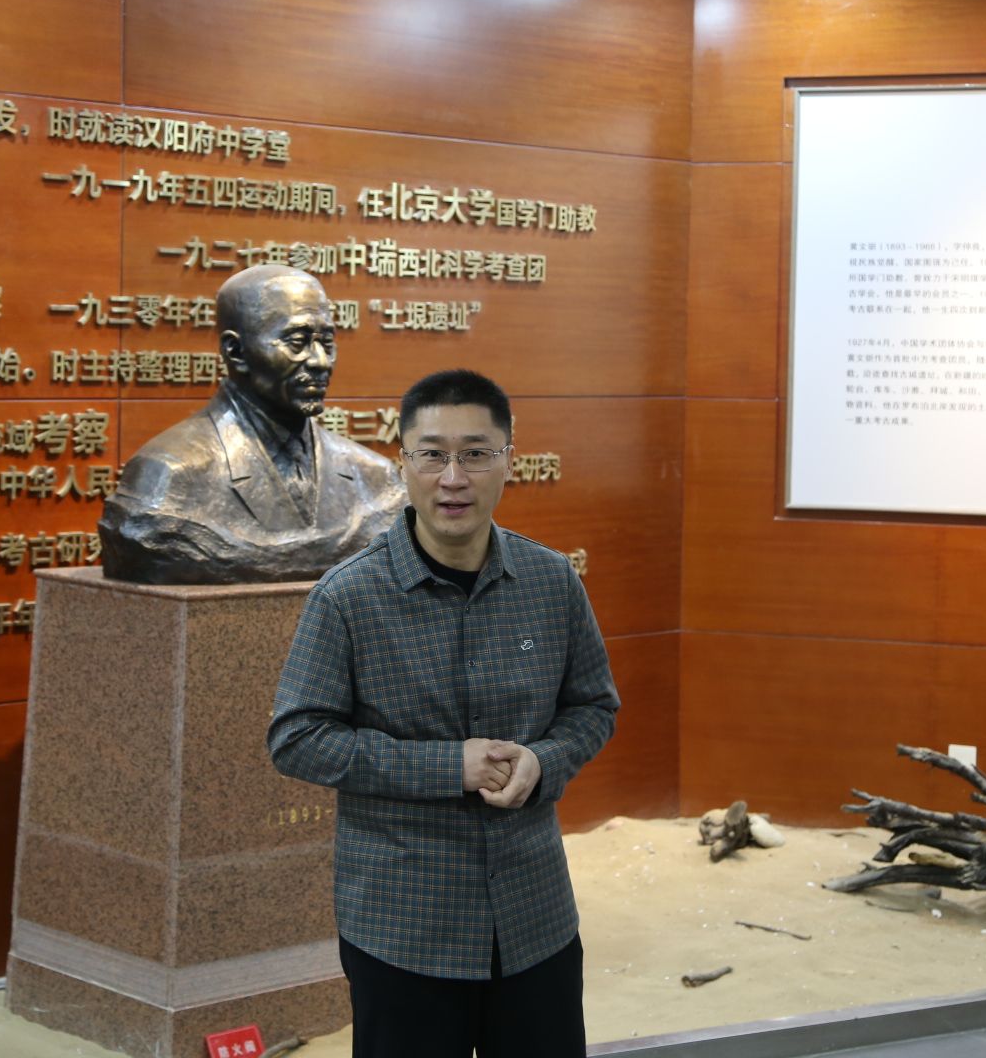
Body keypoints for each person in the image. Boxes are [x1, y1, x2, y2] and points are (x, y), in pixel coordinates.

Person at [267, 368, 619, 1057]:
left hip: (534, 918)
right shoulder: (349, 597)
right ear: (403, 462)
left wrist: (544, 761)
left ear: (509, 460)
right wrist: (447, 767)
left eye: (476, 454)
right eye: (432, 454)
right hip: (405, 929)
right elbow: (297, 738)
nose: (453, 478)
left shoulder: (550, 581)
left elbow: (592, 706)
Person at [98, 265, 405, 584]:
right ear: (236, 352)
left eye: (326, 342)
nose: (320, 361)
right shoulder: (169, 474)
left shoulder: (375, 479)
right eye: (297, 342)